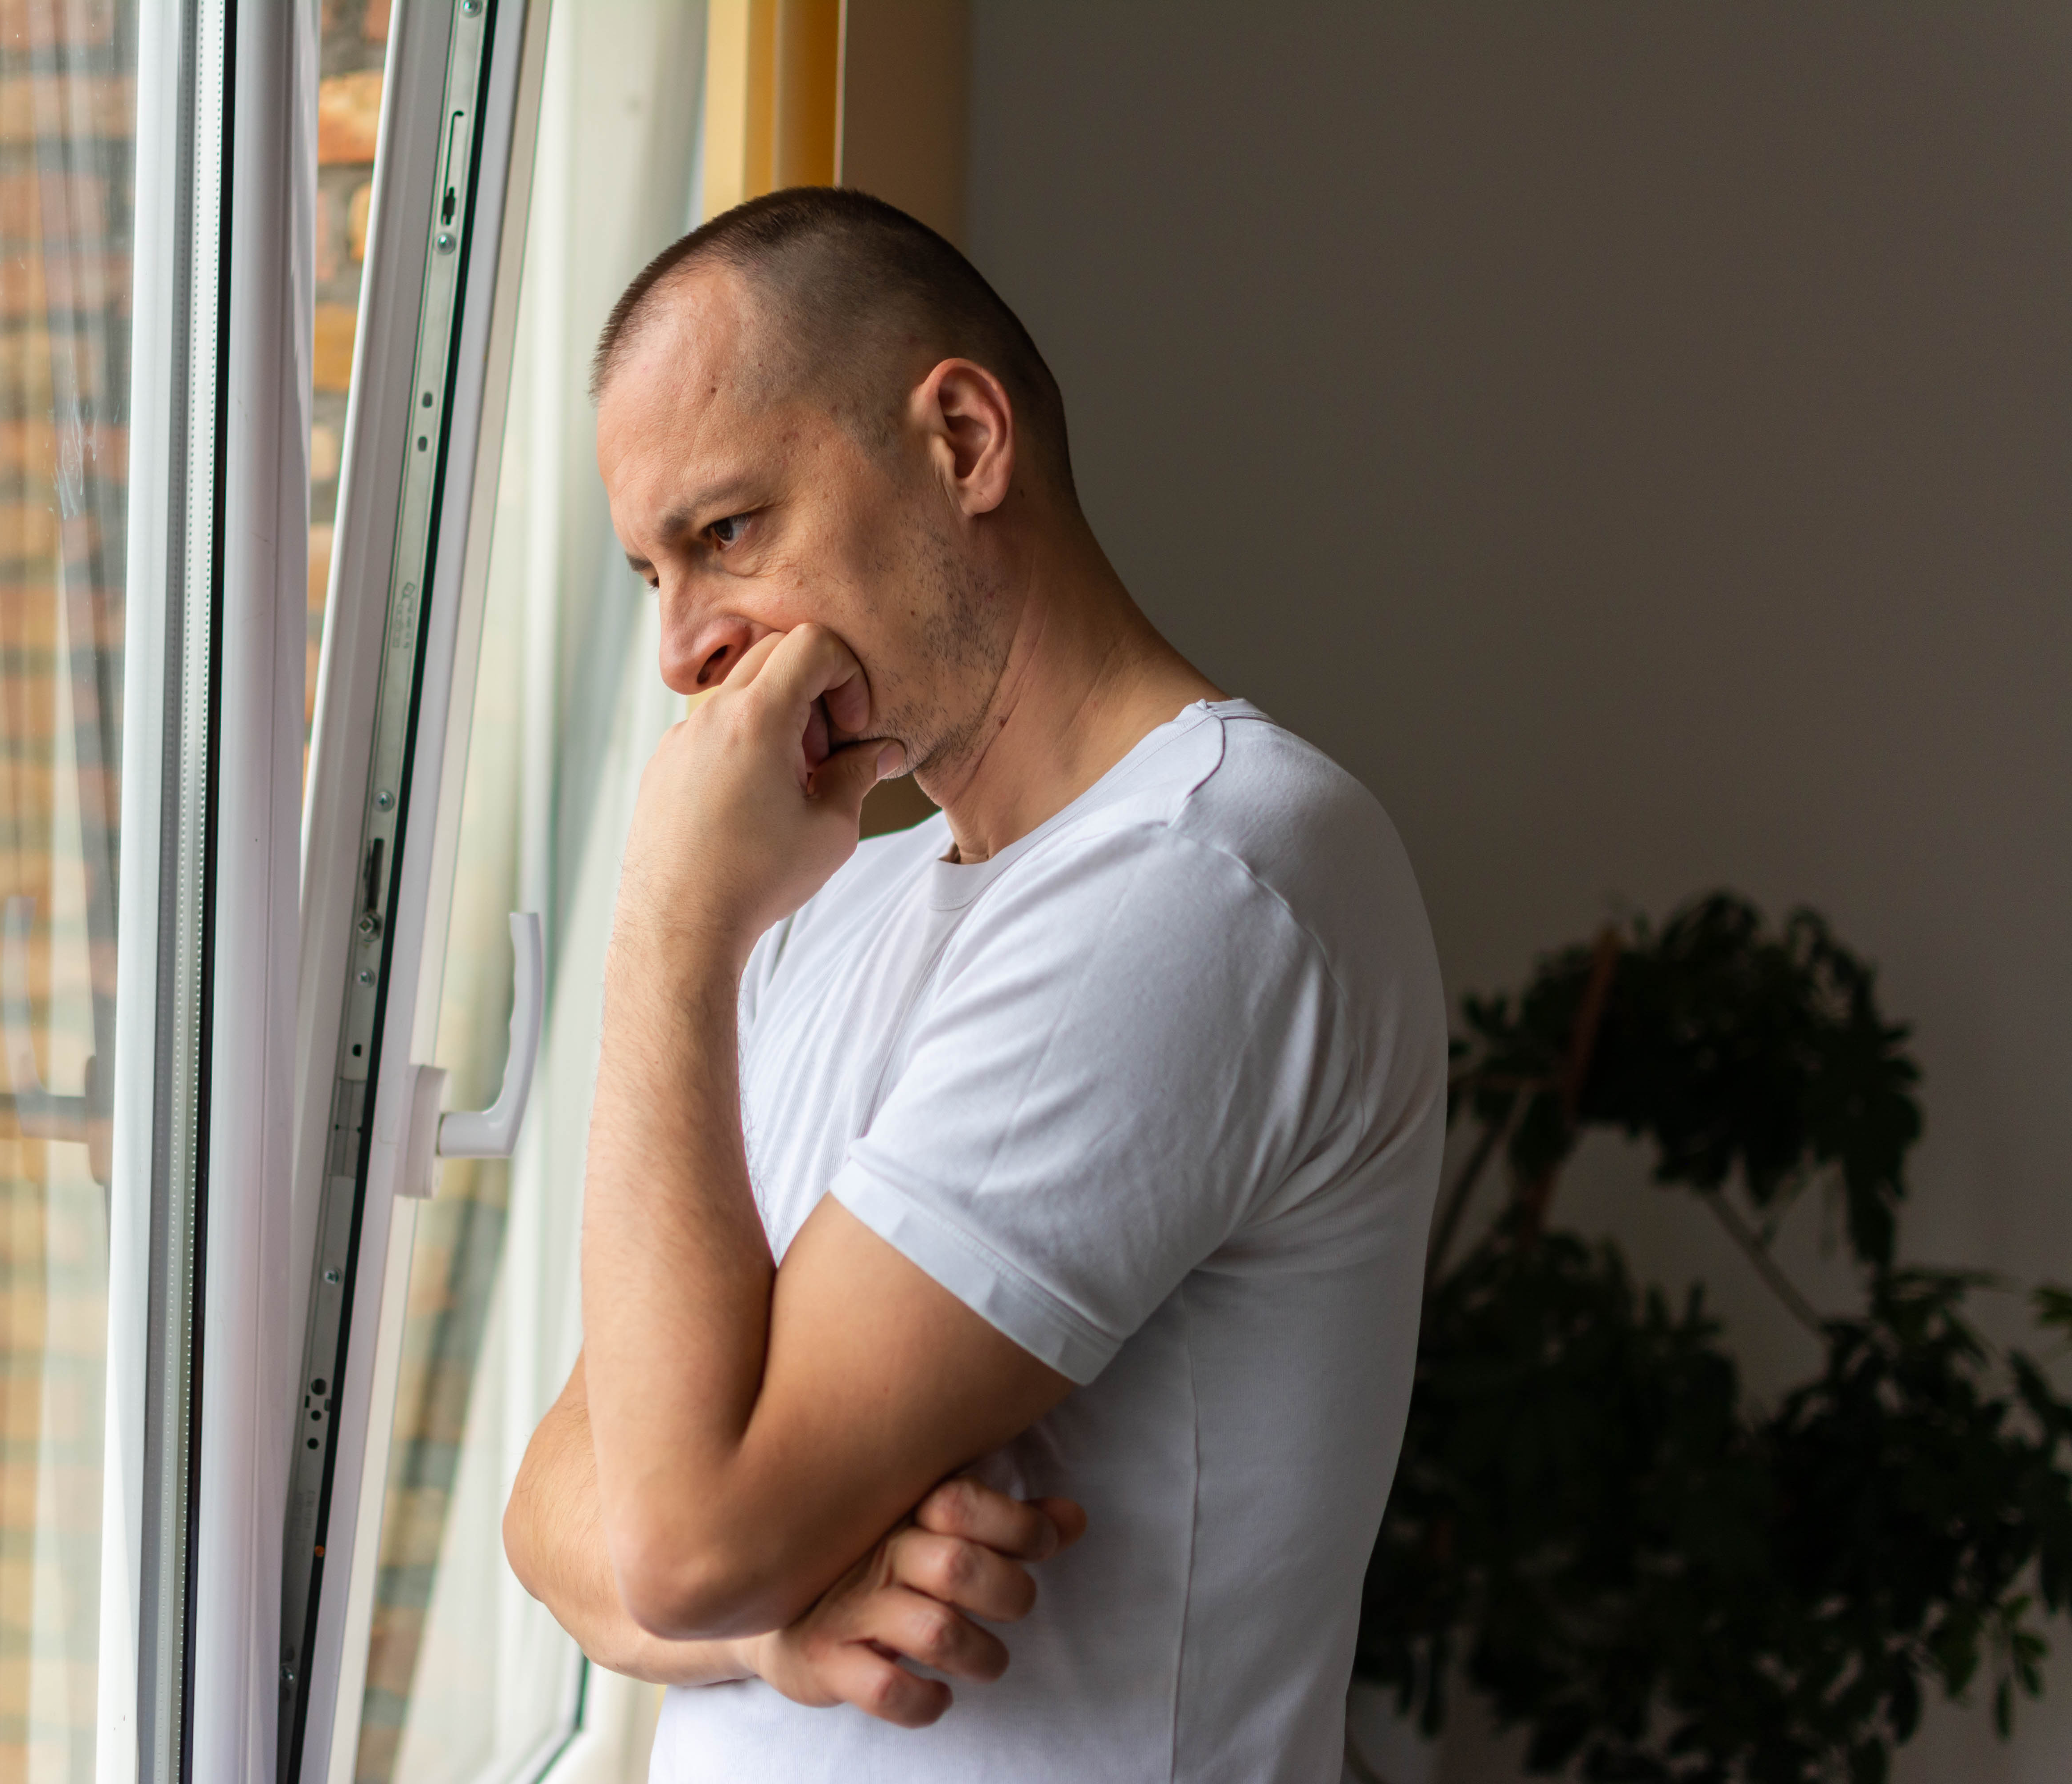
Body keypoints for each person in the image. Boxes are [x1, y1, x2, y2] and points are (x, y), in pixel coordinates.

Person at [502, 188, 1447, 1784]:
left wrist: (668, 920)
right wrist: (771, 1632)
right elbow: (554, 1506)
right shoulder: (833, 909)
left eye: (725, 533)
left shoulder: (1204, 873)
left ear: (961, 441)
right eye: (649, 573)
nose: (681, 650)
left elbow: (671, 1539)